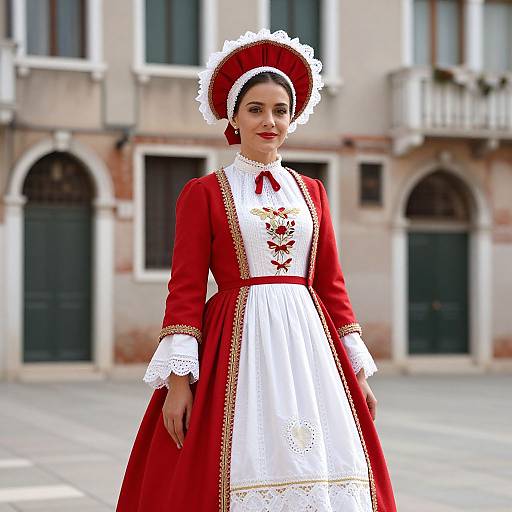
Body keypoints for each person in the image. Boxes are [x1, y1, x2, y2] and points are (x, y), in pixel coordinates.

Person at [116, 29, 397, 512]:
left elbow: (330, 283)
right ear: (234, 117)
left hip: (312, 348)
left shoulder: (313, 192)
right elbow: (184, 286)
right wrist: (178, 383)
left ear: (292, 118)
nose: (270, 121)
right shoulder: (204, 192)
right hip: (238, 340)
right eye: (256, 109)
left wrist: (358, 372)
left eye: (280, 111)